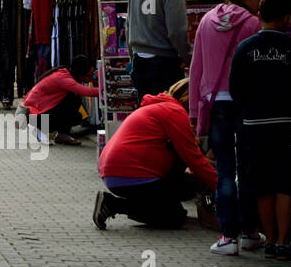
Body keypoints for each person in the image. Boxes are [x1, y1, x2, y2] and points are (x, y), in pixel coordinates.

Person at [229, 0, 291, 262]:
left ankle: (269, 240)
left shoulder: (244, 49)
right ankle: (283, 241)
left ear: (259, 15)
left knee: (262, 184)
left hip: (254, 125)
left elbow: (235, 90)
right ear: (288, 17)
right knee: (286, 183)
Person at [188, 0, 264, 256]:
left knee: (223, 171)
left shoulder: (207, 20)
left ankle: (227, 236)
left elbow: (196, 68)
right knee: (247, 170)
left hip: (215, 104)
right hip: (244, 104)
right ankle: (249, 232)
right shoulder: (254, 24)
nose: (261, 3)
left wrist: (194, 113)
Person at [93, 78, 218, 230]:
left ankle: (126, 205)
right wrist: (220, 186)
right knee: (176, 213)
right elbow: (194, 160)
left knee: (178, 205)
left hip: (116, 173)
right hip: (132, 175)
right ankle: (113, 204)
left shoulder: (159, 107)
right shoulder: (174, 112)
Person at [126, 0, 203, 99]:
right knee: (167, 115)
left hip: (139, 60)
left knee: (147, 115)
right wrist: (188, 59)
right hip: (164, 63)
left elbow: (129, 24)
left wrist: (132, 56)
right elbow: (176, 32)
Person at [21, 55, 99, 145]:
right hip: (34, 113)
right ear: (80, 73)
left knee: (78, 109)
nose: (91, 78)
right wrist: (106, 89)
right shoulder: (64, 79)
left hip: (38, 110)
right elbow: (87, 92)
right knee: (75, 107)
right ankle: (39, 128)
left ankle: (62, 135)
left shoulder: (65, 73)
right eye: (89, 75)